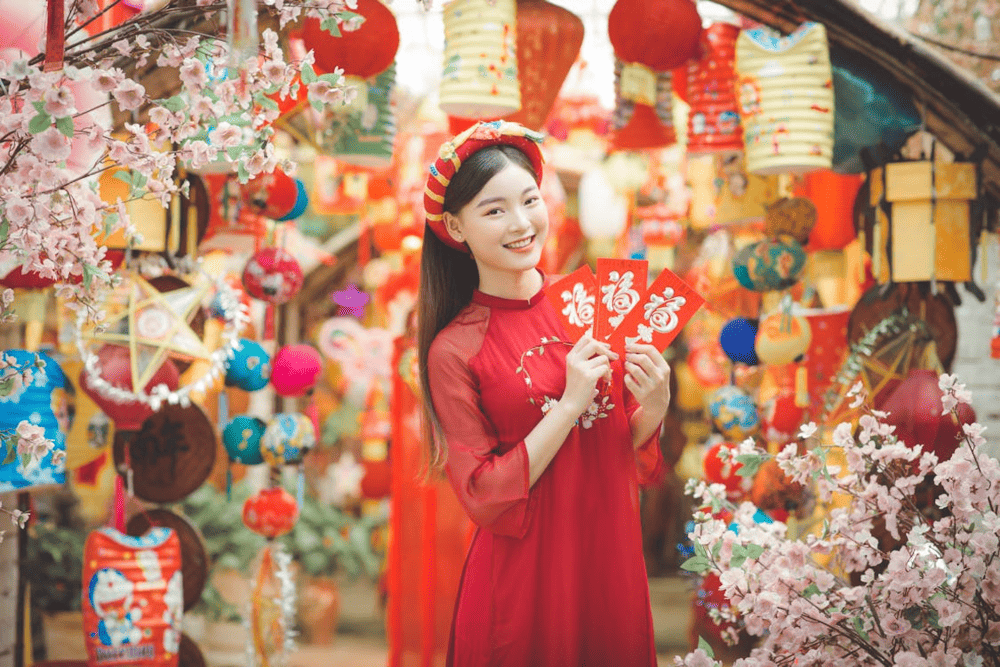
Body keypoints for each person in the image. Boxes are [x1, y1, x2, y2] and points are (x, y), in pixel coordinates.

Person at [417, 120, 671, 667]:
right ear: (456, 229)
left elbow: (625, 457)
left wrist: (652, 410)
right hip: (521, 582)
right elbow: (482, 491)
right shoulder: (455, 350)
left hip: (606, 563)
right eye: (494, 210)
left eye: (530, 200)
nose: (521, 223)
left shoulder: (596, 307)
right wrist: (569, 405)